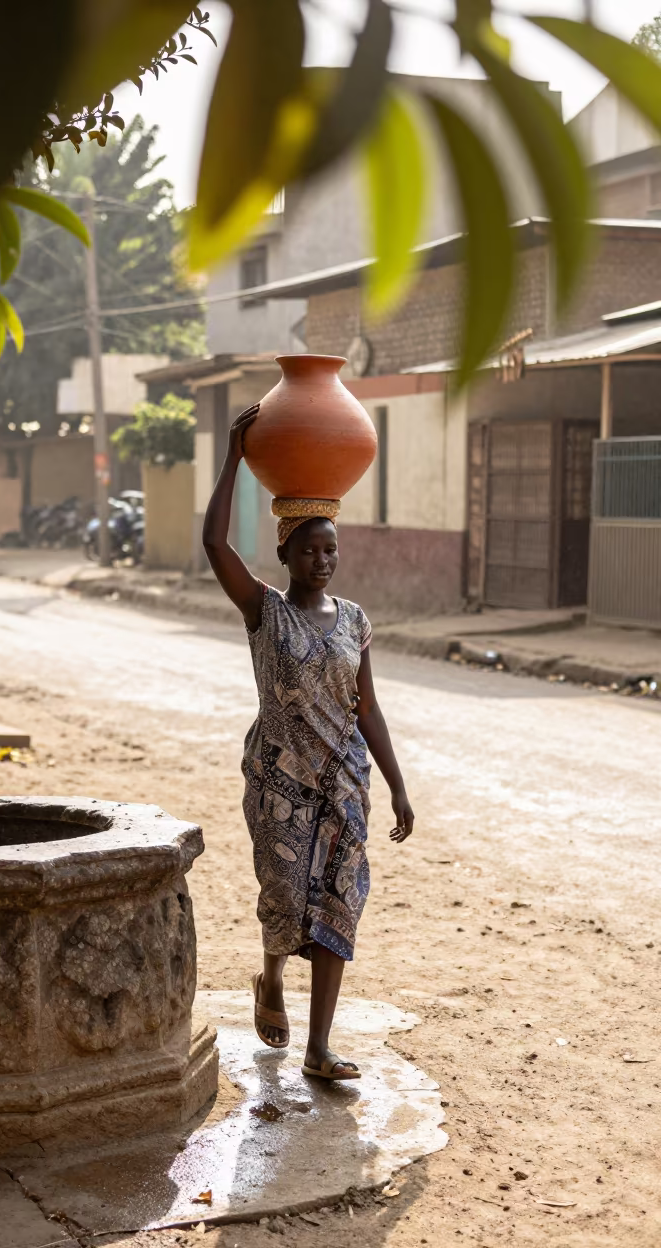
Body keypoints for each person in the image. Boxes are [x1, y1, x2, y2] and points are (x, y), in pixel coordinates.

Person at [202, 403, 415, 1081]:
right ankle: (269, 978)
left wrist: (399, 783)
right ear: (286, 553)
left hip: (345, 783)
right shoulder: (265, 611)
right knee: (285, 900)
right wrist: (235, 456)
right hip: (278, 783)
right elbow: (213, 545)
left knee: (337, 906)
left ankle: (319, 1048)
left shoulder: (354, 620)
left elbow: (368, 707)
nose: (323, 560)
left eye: (331, 549)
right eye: (310, 549)